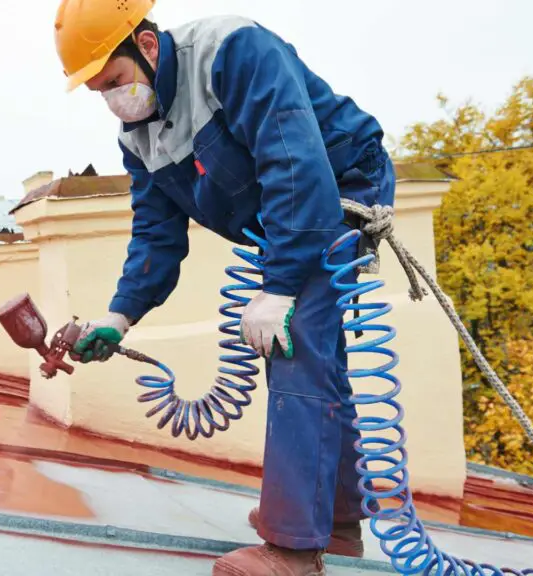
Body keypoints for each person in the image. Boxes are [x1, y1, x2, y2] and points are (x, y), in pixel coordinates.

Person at [54, 1, 395, 574]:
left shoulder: (232, 51)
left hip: (336, 188)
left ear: (148, 45)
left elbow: (295, 163)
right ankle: (335, 523)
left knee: (294, 340)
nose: (113, 99)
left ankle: (293, 550)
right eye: (98, 91)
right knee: (317, 356)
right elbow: (156, 235)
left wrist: (280, 287)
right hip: (286, 210)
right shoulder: (139, 136)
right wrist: (119, 317)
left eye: (114, 80)